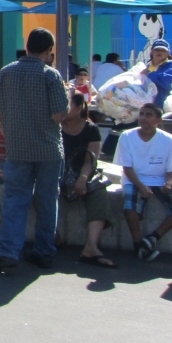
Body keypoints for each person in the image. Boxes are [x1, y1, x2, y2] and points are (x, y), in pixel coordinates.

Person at [0, 28, 69, 273]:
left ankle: (7, 251)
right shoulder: (51, 76)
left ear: (28, 45)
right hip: (49, 150)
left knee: (15, 200)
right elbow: (58, 115)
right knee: (47, 201)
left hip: (17, 149)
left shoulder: (6, 72)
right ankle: (44, 250)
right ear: (49, 49)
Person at [116, 103, 172, 261]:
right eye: (141, 114)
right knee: (130, 204)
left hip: (160, 180)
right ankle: (138, 245)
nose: (143, 118)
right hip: (134, 179)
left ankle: (152, 239)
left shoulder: (169, 140)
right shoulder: (127, 136)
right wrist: (141, 186)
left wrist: (169, 183)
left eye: (148, 115)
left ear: (158, 120)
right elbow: (127, 168)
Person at [61, 93, 116, 268]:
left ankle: (91, 246)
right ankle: (53, 238)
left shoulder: (91, 129)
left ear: (78, 108)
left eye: (67, 104)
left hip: (82, 171)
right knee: (40, 190)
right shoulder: (53, 126)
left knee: (99, 193)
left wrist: (83, 178)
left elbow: (91, 160)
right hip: (56, 172)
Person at [144, 39, 172, 109]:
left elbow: (171, 82)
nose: (159, 52)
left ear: (168, 53)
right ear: (152, 51)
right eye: (157, 49)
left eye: (163, 50)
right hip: (146, 108)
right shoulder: (146, 66)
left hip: (164, 109)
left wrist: (150, 75)